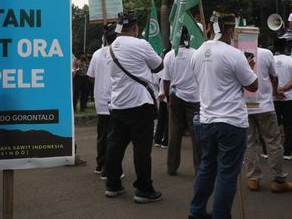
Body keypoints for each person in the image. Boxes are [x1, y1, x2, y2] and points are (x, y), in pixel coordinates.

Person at [188, 12, 258, 219]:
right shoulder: (234, 54)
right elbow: (252, 85)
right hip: (231, 122)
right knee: (227, 174)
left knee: (207, 167)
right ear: (229, 31)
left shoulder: (197, 53)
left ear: (209, 28)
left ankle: (196, 212)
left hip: (206, 120)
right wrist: (250, 68)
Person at [104, 12, 163, 203]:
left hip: (119, 104)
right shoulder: (141, 44)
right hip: (140, 103)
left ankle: (112, 184)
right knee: (141, 148)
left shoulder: (110, 48)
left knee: (115, 144)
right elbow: (159, 66)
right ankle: (144, 189)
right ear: (136, 28)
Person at [245, 44, 292, 193]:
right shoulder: (266, 53)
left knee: (249, 142)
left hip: (244, 105)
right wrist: (275, 91)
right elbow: (274, 77)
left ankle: (253, 178)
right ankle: (278, 179)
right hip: (265, 105)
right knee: (273, 141)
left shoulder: (236, 53)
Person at [163, 26, 201, 175]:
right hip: (195, 99)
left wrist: (167, 98)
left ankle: (172, 167)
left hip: (176, 97)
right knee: (197, 134)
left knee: (174, 133)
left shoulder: (170, 55)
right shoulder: (196, 54)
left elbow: (166, 81)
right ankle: (199, 168)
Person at [87, 23, 118, 178]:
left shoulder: (97, 54)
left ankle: (100, 164)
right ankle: (108, 168)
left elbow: (91, 76)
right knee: (113, 136)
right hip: (115, 100)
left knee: (102, 135)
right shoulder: (118, 52)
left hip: (101, 99)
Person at [272, 38, 292, 160]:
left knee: (272, 126)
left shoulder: (270, 60)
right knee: (290, 126)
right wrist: (284, 89)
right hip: (290, 98)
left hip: (273, 97)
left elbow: (267, 77)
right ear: (286, 48)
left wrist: (276, 91)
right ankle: (287, 152)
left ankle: (269, 151)